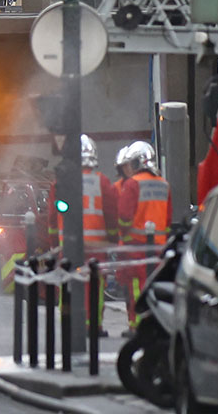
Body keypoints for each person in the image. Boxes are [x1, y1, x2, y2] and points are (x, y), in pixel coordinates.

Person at [46, 135, 119, 334]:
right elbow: (112, 215)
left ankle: (69, 324)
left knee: (68, 283)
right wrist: (112, 240)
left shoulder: (60, 183)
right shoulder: (102, 182)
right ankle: (93, 325)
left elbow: (52, 218)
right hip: (97, 246)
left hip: (67, 244)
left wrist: (54, 243)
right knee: (95, 286)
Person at [115, 140, 171, 334]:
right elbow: (168, 218)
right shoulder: (164, 184)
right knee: (154, 287)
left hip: (136, 247)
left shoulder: (132, 184)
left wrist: (123, 234)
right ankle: (154, 323)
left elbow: (124, 215)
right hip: (159, 248)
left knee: (136, 288)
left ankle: (137, 326)